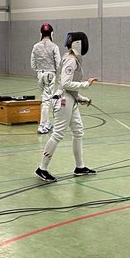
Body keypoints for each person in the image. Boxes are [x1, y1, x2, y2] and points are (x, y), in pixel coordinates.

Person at [35, 32, 98, 182]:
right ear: (78, 44)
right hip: (63, 100)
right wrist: (86, 85)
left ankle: (80, 167)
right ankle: (42, 169)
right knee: (58, 134)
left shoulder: (72, 58)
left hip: (69, 98)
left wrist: (80, 98)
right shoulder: (71, 60)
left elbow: (69, 87)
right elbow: (65, 83)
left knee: (78, 131)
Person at [30, 23, 61, 134]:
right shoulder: (54, 47)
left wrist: (40, 69)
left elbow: (33, 65)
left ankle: (46, 123)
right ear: (52, 33)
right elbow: (58, 64)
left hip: (40, 75)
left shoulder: (35, 46)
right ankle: (42, 125)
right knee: (47, 101)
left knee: (44, 98)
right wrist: (58, 76)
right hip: (50, 75)